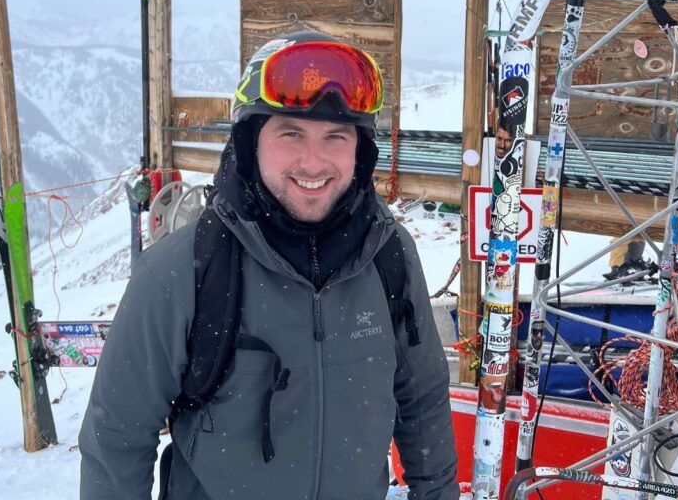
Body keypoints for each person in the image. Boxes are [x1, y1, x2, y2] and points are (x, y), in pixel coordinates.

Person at [79, 31, 459, 500]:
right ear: (249, 140)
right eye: (291, 133)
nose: (314, 162)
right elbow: (117, 438)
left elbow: (421, 397)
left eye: (336, 137)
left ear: (359, 151)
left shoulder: (388, 255)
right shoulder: (185, 270)